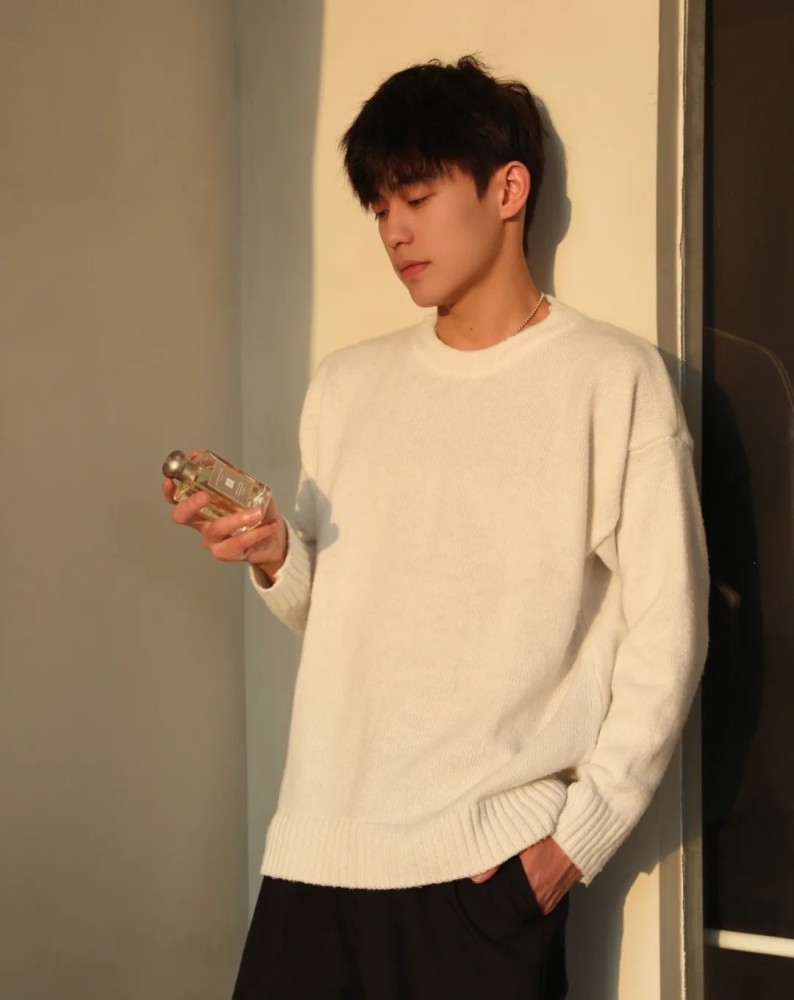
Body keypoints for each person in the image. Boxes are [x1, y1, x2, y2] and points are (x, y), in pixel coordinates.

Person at [164, 56, 709, 1000]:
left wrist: (577, 841)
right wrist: (277, 554)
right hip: (315, 858)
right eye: (380, 207)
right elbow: (337, 611)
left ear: (508, 189)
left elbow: (671, 628)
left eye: (415, 197)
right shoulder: (347, 384)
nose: (394, 230)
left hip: (481, 881)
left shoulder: (610, 379)